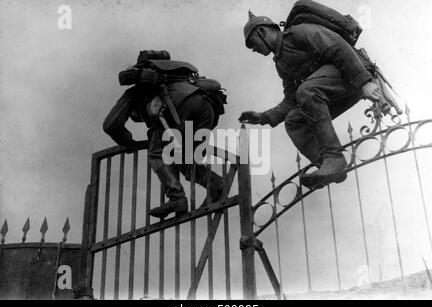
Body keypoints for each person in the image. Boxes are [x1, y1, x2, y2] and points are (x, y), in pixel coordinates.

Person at [239, 12, 383, 189]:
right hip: (335, 86)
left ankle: (334, 157)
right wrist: (263, 117)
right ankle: (329, 167)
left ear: (262, 31)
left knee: (307, 90)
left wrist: (363, 82)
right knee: (294, 121)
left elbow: (337, 45)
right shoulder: (281, 63)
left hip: (354, 71)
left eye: (253, 43)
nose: (254, 49)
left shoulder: (298, 33)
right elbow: (292, 99)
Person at [103, 52, 225, 218]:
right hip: (207, 106)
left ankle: (177, 200)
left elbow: (111, 125)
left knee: (157, 153)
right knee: (187, 159)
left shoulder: (136, 92)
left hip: (178, 109)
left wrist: (129, 143)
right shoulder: (181, 79)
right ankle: (215, 184)